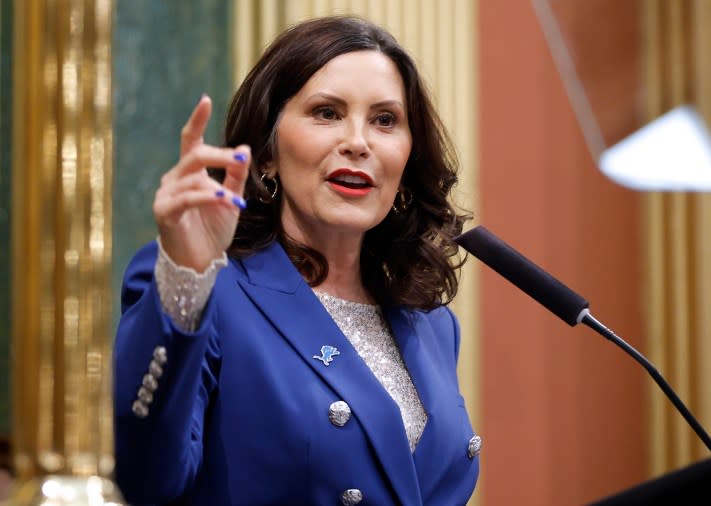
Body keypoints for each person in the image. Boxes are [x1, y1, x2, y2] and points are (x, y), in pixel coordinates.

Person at [114, 15, 480, 505]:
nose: (359, 141)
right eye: (327, 113)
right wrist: (185, 276)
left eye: (385, 120)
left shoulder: (433, 325)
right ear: (267, 152)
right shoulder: (208, 290)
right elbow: (144, 477)